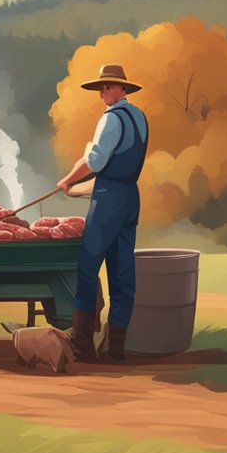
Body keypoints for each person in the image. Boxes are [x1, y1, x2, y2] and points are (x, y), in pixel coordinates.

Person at [55, 64, 149, 361]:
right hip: (129, 196)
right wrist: (77, 190)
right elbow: (117, 169)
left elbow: (94, 162)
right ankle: (115, 345)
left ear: (123, 88)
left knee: (87, 266)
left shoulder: (110, 120)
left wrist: (69, 179)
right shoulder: (139, 117)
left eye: (108, 86)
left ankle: (82, 343)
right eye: (101, 87)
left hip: (109, 199)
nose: (103, 92)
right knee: (122, 271)